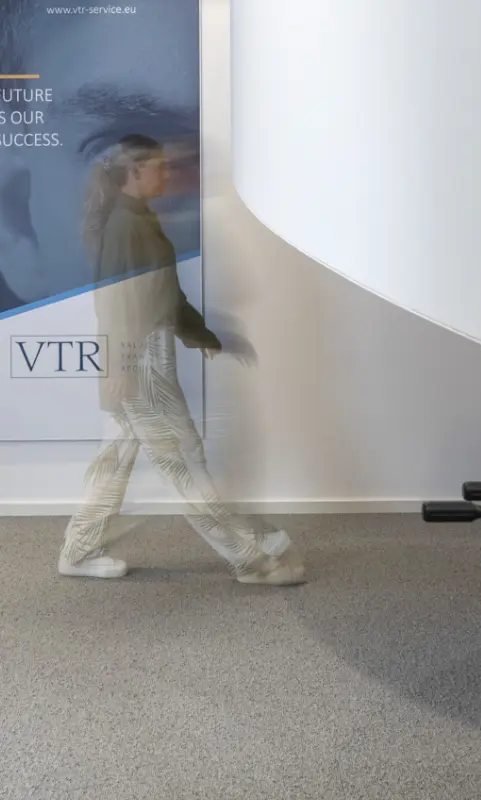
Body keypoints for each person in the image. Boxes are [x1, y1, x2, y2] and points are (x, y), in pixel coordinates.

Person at [58, 134, 305, 585]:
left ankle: (78, 550)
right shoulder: (126, 226)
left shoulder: (140, 219)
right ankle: (250, 559)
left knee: (115, 460)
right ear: (134, 171)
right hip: (140, 361)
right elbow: (113, 303)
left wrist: (203, 335)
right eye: (159, 166)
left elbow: (167, 295)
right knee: (183, 461)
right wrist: (119, 365)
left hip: (143, 355)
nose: (167, 174)